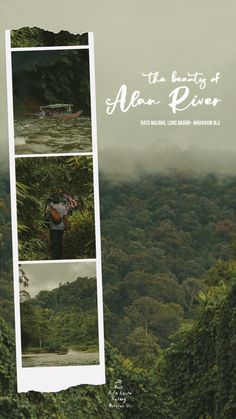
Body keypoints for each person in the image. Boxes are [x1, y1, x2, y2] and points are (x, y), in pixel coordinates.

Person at [45, 195, 68, 260]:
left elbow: (47, 217)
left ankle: (55, 255)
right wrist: (66, 225)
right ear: (59, 200)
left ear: (53, 201)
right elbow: (65, 217)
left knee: (54, 241)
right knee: (60, 240)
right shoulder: (63, 207)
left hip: (53, 227)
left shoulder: (50, 208)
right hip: (61, 227)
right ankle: (60, 255)